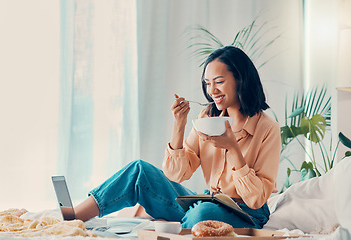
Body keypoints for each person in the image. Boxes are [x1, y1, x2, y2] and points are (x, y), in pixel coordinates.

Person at [73, 46, 281, 229]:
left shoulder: (267, 129)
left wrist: (233, 149)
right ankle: (70, 219)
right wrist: (179, 125)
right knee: (139, 171)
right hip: (207, 202)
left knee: (202, 214)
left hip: (247, 214)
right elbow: (177, 174)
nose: (212, 90)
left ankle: (172, 225)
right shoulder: (207, 117)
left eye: (219, 82)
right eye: (207, 83)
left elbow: (256, 199)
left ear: (241, 79)